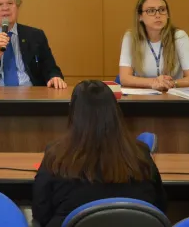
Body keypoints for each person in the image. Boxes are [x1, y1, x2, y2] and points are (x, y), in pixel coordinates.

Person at [32, 80, 166, 227]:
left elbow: (40, 213)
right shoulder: (141, 154)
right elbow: (160, 207)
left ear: (73, 113)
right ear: (115, 111)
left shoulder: (55, 157)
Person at [118, 0, 189, 91]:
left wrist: (170, 83)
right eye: (151, 11)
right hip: (142, 96)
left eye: (162, 10)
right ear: (140, 17)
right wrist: (154, 83)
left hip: (174, 96)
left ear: (168, 14)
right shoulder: (131, 37)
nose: (158, 15)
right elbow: (124, 78)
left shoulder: (179, 37)